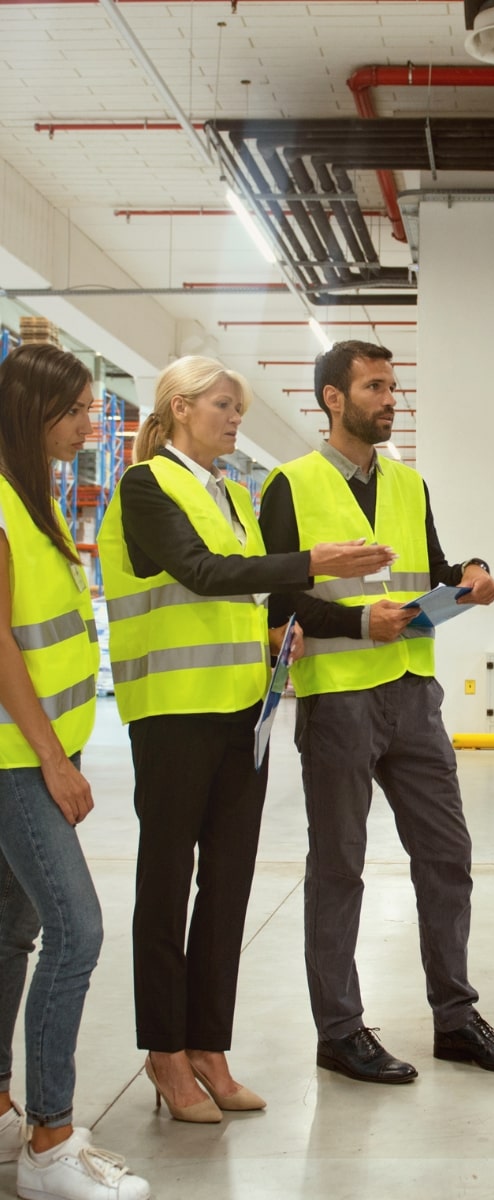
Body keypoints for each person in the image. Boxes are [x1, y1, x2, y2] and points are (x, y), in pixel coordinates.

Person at [96, 356, 393, 1123]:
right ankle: (165, 1054)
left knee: (226, 887)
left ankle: (210, 1050)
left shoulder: (230, 492)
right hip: (171, 713)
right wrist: (311, 562)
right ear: (182, 407)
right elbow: (200, 572)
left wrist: (277, 631)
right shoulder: (145, 486)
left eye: (240, 408)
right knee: (165, 887)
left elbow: (246, 589)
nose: (236, 419)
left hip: (242, 714)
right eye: (225, 405)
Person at [258, 340, 494, 1082]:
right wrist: (356, 625)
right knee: (339, 866)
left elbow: (432, 569)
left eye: (392, 387)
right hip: (340, 699)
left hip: (415, 693)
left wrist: (469, 575)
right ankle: (339, 1030)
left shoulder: (411, 485)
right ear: (333, 399)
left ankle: (455, 1018)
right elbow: (278, 599)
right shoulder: (290, 484)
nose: (390, 400)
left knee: (447, 856)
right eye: (375, 386)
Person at [0, 344, 150, 1199]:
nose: (90, 424)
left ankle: (2, 1115)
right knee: (77, 932)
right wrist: (55, 761)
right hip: (21, 758)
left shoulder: (36, 497)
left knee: (11, 933)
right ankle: (51, 1143)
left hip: (38, 749)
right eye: (78, 410)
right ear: (34, 411)